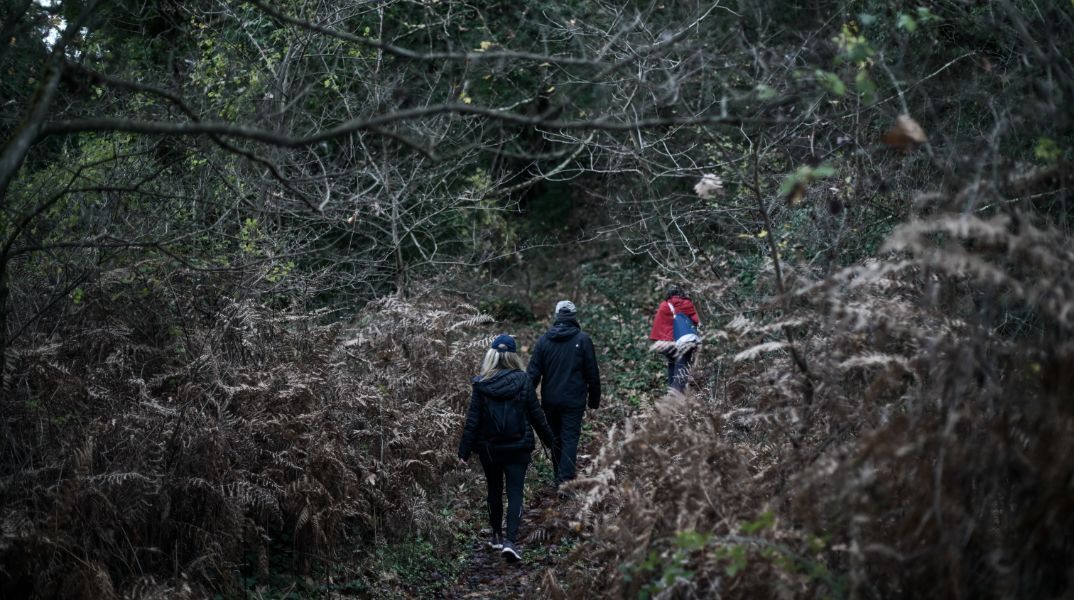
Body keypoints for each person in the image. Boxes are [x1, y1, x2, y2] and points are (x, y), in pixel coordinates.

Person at [458, 334, 556, 563]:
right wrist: (550, 441)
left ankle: (495, 536)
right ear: (514, 356)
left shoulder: (481, 384)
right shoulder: (523, 380)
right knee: (515, 493)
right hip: (518, 447)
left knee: (493, 490)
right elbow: (536, 415)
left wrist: (463, 452)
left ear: (491, 355)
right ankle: (510, 542)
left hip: (490, 448)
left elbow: (473, 420)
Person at [526, 300, 601, 489]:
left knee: (555, 439)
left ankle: (559, 477)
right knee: (569, 439)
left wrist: (524, 398)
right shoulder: (583, 340)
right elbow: (592, 372)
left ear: (557, 316)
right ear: (574, 317)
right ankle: (564, 481)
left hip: (550, 401)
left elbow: (533, 374)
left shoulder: (544, 341)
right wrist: (593, 400)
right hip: (573, 401)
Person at [649, 284, 701, 393]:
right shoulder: (686, 304)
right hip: (681, 343)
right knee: (681, 373)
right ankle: (674, 402)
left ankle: (670, 398)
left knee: (672, 368)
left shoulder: (664, 305)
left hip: (664, 345)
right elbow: (697, 320)